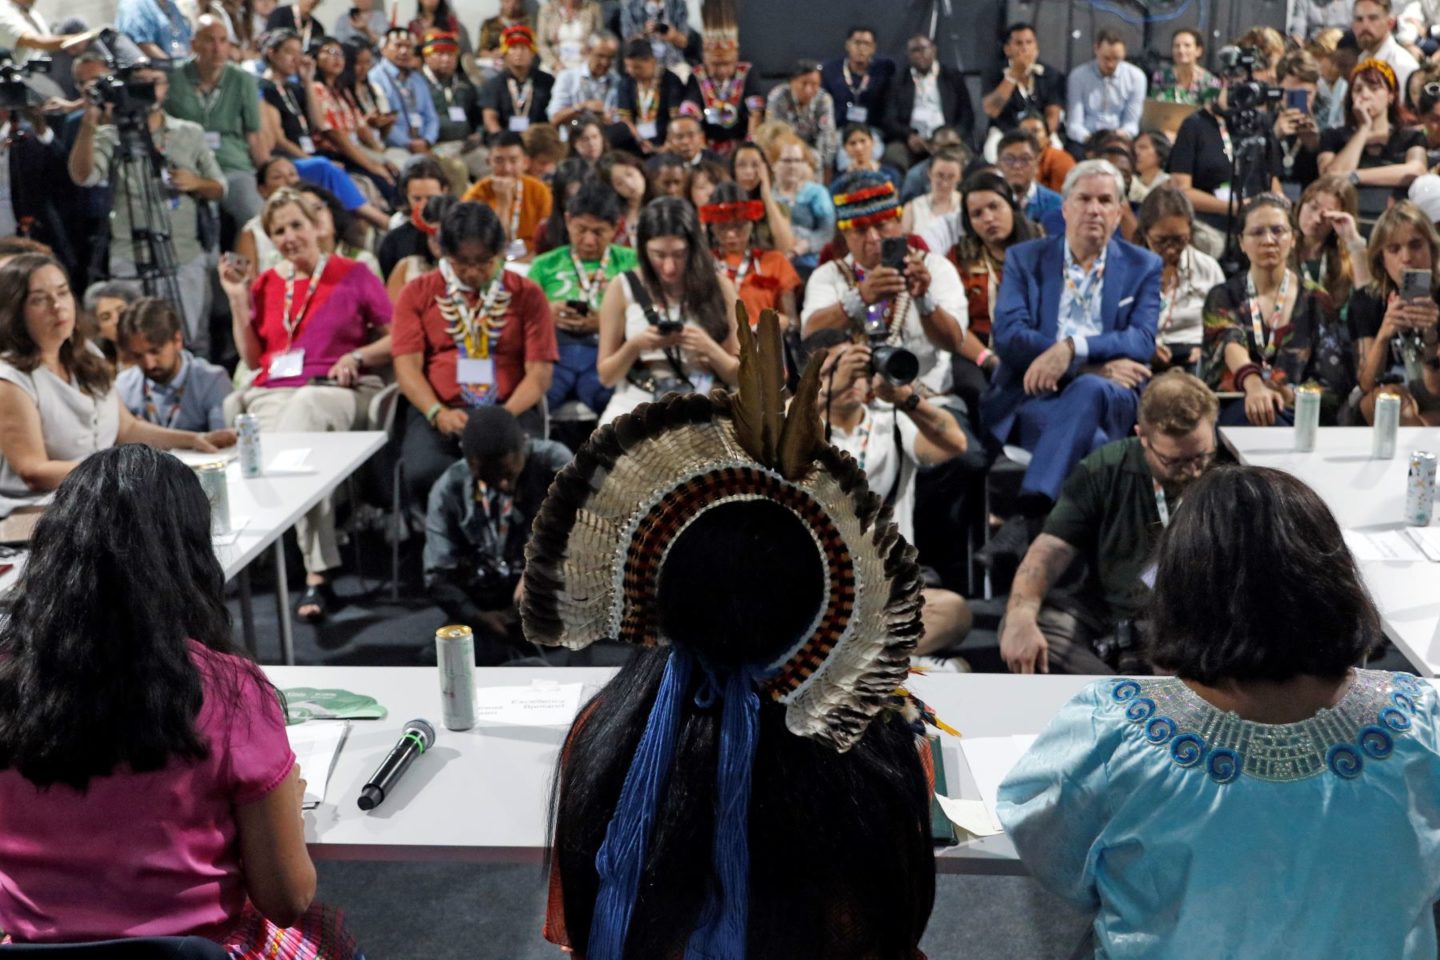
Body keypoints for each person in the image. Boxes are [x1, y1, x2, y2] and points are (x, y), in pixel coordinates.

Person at [531, 310, 936, 960]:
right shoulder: (882, 746)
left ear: (661, 589)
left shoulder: (601, 735)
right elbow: (899, 930)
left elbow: (576, 936)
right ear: (831, 594)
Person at [998, 465, 1440, 960]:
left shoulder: (1115, 730)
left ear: (1180, 586)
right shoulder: (1423, 720)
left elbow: (1056, 860)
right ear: (1336, 577)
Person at [0, 445, 362, 957]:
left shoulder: (8, 679)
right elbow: (287, 897)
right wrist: (289, 814)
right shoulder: (229, 691)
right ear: (188, 555)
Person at [218, 188, 393, 620]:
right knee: (237, 411)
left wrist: (357, 356)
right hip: (275, 390)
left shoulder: (354, 272)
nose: (289, 236)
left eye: (296, 225)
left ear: (316, 225)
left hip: (340, 387)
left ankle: (315, 570)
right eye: (279, 231)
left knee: (305, 412)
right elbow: (254, 359)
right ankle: (282, 546)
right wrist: (238, 300)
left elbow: (397, 338)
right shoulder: (265, 283)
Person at [998, 370, 1216, 674]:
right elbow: (1050, 548)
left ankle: (1119, 693)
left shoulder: (1226, 476)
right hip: (1111, 615)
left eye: (1200, 456)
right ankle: (1125, 692)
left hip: (1195, 622)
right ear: (1142, 436)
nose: (1193, 471)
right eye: (1174, 461)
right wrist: (1021, 614)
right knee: (1029, 624)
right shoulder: (1104, 469)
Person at [982, 159, 1162, 518]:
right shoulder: (1026, 258)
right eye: (1084, 199)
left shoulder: (1144, 265)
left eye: (1105, 201)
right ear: (1064, 208)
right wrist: (1087, 369)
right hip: (1037, 396)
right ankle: (1070, 552)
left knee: (1092, 392)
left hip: (1113, 397)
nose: (1094, 209)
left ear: (1118, 212)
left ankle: (1028, 517)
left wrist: (1072, 349)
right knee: (1094, 444)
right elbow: (1008, 336)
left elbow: (1142, 340)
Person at [0, 255, 233, 514]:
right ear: (15, 312)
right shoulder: (10, 378)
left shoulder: (86, 354)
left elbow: (127, 427)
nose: (57, 306)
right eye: (40, 299)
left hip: (104, 501)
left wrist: (194, 439)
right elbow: (33, 471)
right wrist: (119, 472)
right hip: (46, 515)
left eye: (63, 292)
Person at [391, 201, 558, 507]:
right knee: (425, 472)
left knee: (528, 472)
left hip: (510, 409)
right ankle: (453, 542)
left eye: (483, 262)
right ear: (444, 254)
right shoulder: (417, 292)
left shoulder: (527, 294)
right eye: (461, 262)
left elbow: (539, 372)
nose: (471, 272)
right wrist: (436, 412)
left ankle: (516, 545)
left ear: (499, 254)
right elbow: (407, 368)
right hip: (439, 411)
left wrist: (501, 418)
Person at [68, 64, 225, 359]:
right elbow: (83, 176)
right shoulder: (109, 135)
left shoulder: (188, 132)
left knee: (191, 341)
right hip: (131, 257)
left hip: (183, 253)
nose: (149, 88)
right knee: (134, 346)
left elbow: (220, 188)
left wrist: (195, 182)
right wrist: (89, 120)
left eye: (156, 81)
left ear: (166, 88)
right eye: (140, 82)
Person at [424, 406, 571, 664]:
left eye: (508, 472)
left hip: (553, 595)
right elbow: (437, 574)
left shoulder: (553, 464)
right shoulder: (449, 490)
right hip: (485, 603)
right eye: (490, 476)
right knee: (436, 663)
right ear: (470, 463)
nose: (503, 484)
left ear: (523, 447)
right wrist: (477, 615)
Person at [802, 170, 966, 398]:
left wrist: (923, 298)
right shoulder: (828, 275)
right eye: (860, 229)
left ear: (899, 222)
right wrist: (860, 297)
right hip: (851, 401)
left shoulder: (936, 268)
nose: (873, 238)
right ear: (844, 234)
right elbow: (810, 336)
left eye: (881, 225)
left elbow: (954, 342)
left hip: (926, 398)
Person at [594, 197, 740, 425]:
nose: (669, 267)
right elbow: (606, 376)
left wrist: (709, 348)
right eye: (659, 255)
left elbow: (738, 375)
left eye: (679, 254)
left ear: (694, 248)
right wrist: (635, 345)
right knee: (604, 452)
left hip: (704, 398)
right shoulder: (622, 286)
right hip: (639, 397)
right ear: (643, 249)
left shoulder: (720, 287)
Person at [1202, 193, 1336, 426]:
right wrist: (1254, 386)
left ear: (1293, 238)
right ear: (1242, 243)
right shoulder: (1223, 295)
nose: (1268, 240)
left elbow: (1332, 379)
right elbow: (1229, 341)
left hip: (1298, 413)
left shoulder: (1317, 298)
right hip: (1238, 405)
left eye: (1277, 230)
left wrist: (1289, 395)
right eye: (1257, 232)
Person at [528, 181, 637, 415]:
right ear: (568, 221)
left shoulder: (632, 262)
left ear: (616, 227)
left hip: (607, 352)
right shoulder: (544, 265)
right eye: (581, 230)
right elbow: (520, 316)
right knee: (533, 399)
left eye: (598, 232)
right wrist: (546, 313)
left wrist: (607, 322)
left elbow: (651, 314)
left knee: (616, 404)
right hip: (555, 354)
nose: (588, 241)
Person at [942, 170, 1039, 414]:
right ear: (969, 222)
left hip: (1034, 346)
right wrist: (988, 359)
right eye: (977, 214)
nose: (988, 218)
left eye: (995, 207)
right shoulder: (958, 257)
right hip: (978, 350)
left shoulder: (1041, 245)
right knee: (974, 390)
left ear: (1011, 205)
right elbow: (952, 325)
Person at [164, 15, 267, 225]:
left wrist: (266, 175)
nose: (218, 48)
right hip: (189, 168)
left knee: (255, 216)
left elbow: (254, 134)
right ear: (194, 44)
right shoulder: (174, 79)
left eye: (223, 41)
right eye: (210, 40)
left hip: (232, 165)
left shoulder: (242, 79)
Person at [1349, 200, 1440, 424]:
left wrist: (1431, 336)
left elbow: (1435, 387)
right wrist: (1384, 333)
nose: (1407, 258)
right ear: (1382, 258)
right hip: (1387, 401)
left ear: (1432, 249)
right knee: (1388, 402)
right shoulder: (1367, 301)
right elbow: (1366, 383)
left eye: (1416, 245)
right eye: (1394, 249)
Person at [1168, 68, 1286, 235]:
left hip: (1257, 224)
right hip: (1209, 225)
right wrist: (1234, 207)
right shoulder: (1194, 125)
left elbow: (1272, 179)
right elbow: (1181, 190)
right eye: (1236, 88)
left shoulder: (1259, 124)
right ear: (1223, 83)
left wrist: (1279, 203)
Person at [1318, 58, 1427, 223]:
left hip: (1395, 219)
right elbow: (1332, 177)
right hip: (1348, 217)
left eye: (1374, 88)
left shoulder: (1410, 137)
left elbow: (1416, 170)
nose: (1365, 95)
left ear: (1390, 95)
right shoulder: (1333, 136)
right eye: (1358, 89)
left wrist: (1355, 176)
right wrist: (1363, 128)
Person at [1135, 185, 1226, 375]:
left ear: (1190, 231)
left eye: (1179, 240)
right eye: (1161, 241)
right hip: (1143, 357)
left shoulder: (1207, 268)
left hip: (1193, 356)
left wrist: (1208, 349)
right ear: (1145, 233)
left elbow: (1222, 326)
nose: (1170, 249)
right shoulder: (1129, 269)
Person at [116, 297, 231, 432]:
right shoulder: (124, 385)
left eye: (155, 351)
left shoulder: (212, 381)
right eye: (137, 356)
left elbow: (223, 446)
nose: (149, 364)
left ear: (177, 340)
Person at [309, 36, 398, 202]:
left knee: (394, 171)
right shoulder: (315, 89)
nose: (337, 58)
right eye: (330, 52)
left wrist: (381, 157)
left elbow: (361, 128)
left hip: (356, 149)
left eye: (341, 54)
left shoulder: (342, 90)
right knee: (382, 181)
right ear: (315, 57)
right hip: (336, 153)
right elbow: (335, 136)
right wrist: (373, 165)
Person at [704, 182, 803, 330]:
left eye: (739, 225)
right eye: (722, 226)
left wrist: (784, 322)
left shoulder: (775, 261)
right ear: (711, 228)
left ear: (752, 224)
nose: (731, 234)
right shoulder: (702, 264)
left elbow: (793, 322)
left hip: (766, 345)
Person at [882, 35, 973, 173]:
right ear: (908, 54)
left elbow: (967, 115)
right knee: (893, 155)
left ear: (934, 50)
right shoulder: (897, 80)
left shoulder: (952, 77)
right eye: (915, 50)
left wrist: (953, 135)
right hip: (912, 140)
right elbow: (889, 118)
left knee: (966, 156)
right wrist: (908, 136)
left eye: (924, 49)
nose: (920, 54)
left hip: (947, 138)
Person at [683, 1, 764, 155]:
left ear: (735, 59)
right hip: (705, 145)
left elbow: (756, 111)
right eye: (715, 64)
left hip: (740, 142)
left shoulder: (747, 72)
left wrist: (750, 142)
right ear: (705, 60)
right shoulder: (698, 74)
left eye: (726, 64)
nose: (721, 70)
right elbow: (689, 108)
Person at [460, 132, 552, 261]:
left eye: (513, 160)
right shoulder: (476, 195)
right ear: (488, 162)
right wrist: (503, 203)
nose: (507, 168)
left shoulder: (539, 191)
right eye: (499, 161)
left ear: (525, 162)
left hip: (533, 262)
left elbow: (548, 240)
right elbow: (485, 245)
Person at [421, 29, 486, 194]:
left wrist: (478, 134)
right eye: (440, 54)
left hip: (465, 145)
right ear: (427, 57)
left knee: (492, 163)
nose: (446, 59)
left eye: (451, 55)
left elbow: (478, 115)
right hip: (437, 147)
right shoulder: (418, 84)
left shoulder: (463, 84)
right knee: (457, 170)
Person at [369, 27, 440, 167]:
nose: (403, 51)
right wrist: (409, 144)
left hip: (424, 144)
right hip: (393, 147)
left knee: (454, 168)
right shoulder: (375, 78)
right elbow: (384, 121)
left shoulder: (417, 79)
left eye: (408, 47)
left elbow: (431, 116)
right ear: (383, 49)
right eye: (398, 45)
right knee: (414, 168)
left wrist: (426, 141)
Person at [982, 23, 1065, 139]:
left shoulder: (1051, 74)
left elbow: (1053, 115)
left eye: (1029, 42)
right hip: (1004, 134)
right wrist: (1013, 75)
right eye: (1018, 43)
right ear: (1007, 49)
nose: (1024, 48)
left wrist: (1042, 136)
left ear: (1036, 47)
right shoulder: (993, 72)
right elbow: (991, 110)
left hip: (1042, 134)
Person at [1066, 31, 1147, 148]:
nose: (1110, 64)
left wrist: (1118, 137)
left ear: (1124, 54)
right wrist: (1091, 140)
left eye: (1116, 59)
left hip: (1119, 139)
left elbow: (1131, 124)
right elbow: (1074, 124)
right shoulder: (1078, 76)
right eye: (1106, 58)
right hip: (1086, 138)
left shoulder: (1136, 77)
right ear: (1096, 49)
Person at [769, 134, 835, 273]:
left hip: (811, 261)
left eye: (798, 161)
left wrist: (804, 246)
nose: (793, 166)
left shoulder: (816, 193)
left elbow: (828, 232)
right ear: (774, 164)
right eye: (787, 161)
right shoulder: (768, 195)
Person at [479, 24, 554, 141]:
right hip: (504, 141)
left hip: (539, 142)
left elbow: (555, 115)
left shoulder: (547, 81)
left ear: (532, 52)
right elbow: (489, 117)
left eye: (524, 48)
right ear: (505, 52)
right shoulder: (494, 84)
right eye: (513, 48)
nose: (519, 53)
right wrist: (502, 141)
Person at [377, 157, 449, 277]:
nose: (423, 205)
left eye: (431, 198)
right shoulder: (394, 240)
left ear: (444, 191)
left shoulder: (460, 230)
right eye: (417, 199)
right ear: (406, 196)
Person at [615, 35, 685, 156]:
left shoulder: (670, 80)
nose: (632, 71)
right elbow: (625, 118)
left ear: (652, 61)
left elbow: (676, 118)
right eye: (629, 67)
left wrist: (668, 145)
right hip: (636, 139)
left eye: (637, 67)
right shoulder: (626, 82)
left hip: (666, 139)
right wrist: (640, 140)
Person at [258, 29, 320, 165]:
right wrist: (313, 161)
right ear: (271, 53)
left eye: (299, 53)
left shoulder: (294, 88)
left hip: (308, 153)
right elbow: (279, 141)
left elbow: (318, 123)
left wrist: (308, 81)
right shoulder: (263, 88)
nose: (296, 59)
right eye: (289, 52)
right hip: (286, 159)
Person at [765, 59, 839, 174]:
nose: (809, 89)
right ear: (791, 82)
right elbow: (775, 133)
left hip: (813, 152)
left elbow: (827, 135)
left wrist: (826, 166)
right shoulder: (778, 97)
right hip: (784, 149)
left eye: (814, 84)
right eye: (804, 84)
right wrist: (799, 153)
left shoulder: (824, 99)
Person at [820, 25, 895, 133]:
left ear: (873, 48)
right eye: (857, 43)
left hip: (871, 129)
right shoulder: (830, 70)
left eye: (866, 44)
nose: (861, 48)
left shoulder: (883, 70)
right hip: (838, 128)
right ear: (847, 45)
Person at [728, 141, 795, 255]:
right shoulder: (723, 205)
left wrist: (767, 194)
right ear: (733, 171)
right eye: (741, 165)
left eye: (755, 165)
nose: (749, 171)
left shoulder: (778, 207)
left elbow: (786, 248)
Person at [387, 193, 456, 302]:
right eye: (432, 236)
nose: (438, 242)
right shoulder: (406, 268)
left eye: (445, 236)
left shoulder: (472, 270)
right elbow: (393, 314)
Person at [547, 31, 620, 131]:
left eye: (610, 58)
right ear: (587, 51)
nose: (605, 63)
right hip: (571, 139)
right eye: (600, 56)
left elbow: (621, 117)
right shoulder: (567, 78)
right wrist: (582, 107)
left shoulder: (617, 81)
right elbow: (554, 118)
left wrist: (611, 119)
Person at [1351, 0, 1419, 104]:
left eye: (1373, 18)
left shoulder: (1403, 65)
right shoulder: (1361, 59)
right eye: (1359, 19)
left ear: (1390, 23)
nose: (1364, 26)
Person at [997, 128, 1062, 223]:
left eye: (1025, 159)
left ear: (1037, 163)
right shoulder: (990, 205)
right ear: (998, 164)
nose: (1017, 166)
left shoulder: (1056, 205)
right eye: (1009, 159)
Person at [0, 0, 93, 65]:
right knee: (74, 24)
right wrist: (79, 39)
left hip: (48, 61)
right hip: (34, 69)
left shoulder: (32, 12)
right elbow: (35, 42)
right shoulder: (4, 11)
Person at [900, 146, 962, 238]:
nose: (944, 183)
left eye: (951, 177)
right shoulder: (912, 208)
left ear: (959, 178)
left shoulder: (966, 204)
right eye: (940, 175)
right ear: (929, 173)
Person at [1149, 29, 1219, 105]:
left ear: (1198, 51)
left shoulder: (1210, 82)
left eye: (1187, 45)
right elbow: (1155, 107)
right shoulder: (1161, 77)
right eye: (1176, 46)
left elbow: (1211, 113)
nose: (1181, 50)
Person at [618, 0, 691, 72]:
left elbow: (684, 42)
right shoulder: (630, 5)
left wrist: (673, 35)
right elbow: (628, 43)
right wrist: (644, 33)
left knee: (684, 71)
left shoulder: (678, 3)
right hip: (643, 65)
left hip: (674, 63)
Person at [535, 0, 602, 75]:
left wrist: (590, 47)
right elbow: (541, 43)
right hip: (556, 60)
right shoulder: (548, 9)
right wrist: (554, 64)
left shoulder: (592, 8)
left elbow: (598, 36)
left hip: (583, 61)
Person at [83, 282, 140, 368]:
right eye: (106, 317)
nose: (116, 320)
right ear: (99, 330)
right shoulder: (99, 364)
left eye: (121, 311)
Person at [597, 149, 648, 245]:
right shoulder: (613, 219)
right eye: (619, 183)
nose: (629, 184)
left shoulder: (663, 201)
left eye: (630, 174)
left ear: (639, 169)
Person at [115, 0, 193, 62]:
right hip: (158, 74)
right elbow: (144, 46)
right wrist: (176, 69)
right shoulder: (134, 4)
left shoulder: (171, 4)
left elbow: (186, 40)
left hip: (182, 70)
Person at [838, 123, 902, 196]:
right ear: (844, 148)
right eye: (852, 143)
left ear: (873, 142)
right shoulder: (839, 179)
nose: (859, 148)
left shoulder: (891, 174)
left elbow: (894, 200)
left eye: (863, 141)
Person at [409, 0, 472, 67]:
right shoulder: (414, 24)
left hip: (447, 61)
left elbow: (456, 39)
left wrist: (438, 34)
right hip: (423, 62)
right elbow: (413, 46)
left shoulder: (449, 20)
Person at [478, 0, 532, 74]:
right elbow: (482, 50)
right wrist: (492, 54)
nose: (511, 5)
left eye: (515, 2)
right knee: (487, 73)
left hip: (521, 63)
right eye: (507, 1)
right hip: (496, 64)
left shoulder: (529, 23)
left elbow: (534, 47)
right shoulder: (489, 24)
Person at [1129, 130, 1170, 203]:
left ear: (1160, 152)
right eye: (1134, 148)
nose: (1136, 152)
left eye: (1143, 147)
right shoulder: (1131, 181)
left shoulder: (1169, 183)